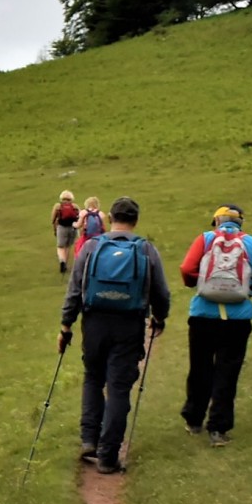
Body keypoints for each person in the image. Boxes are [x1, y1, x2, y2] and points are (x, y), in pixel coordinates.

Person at [60, 196, 170, 474]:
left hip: (94, 322)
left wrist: (66, 325)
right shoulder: (146, 249)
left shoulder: (92, 247)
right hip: (129, 325)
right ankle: (108, 457)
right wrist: (159, 318)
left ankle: (89, 440)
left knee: (93, 377)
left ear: (110, 217)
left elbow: (75, 289)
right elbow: (161, 292)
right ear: (135, 220)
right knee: (119, 387)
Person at [179, 204, 252, 446]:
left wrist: (200, 283)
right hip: (237, 320)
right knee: (228, 372)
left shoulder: (205, 239)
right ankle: (218, 428)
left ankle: (194, 419)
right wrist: (250, 291)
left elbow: (186, 269)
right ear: (240, 223)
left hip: (203, 315)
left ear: (216, 221)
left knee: (200, 368)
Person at [51, 190, 80, 273]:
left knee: (60, 247)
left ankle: (62, 261)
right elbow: (80, 217)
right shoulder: (75, 206)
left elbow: (53, 219)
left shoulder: (58, 206)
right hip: (72, 228)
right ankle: (65, 264)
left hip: (62, 227)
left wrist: (55, 229)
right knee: (67, 246)